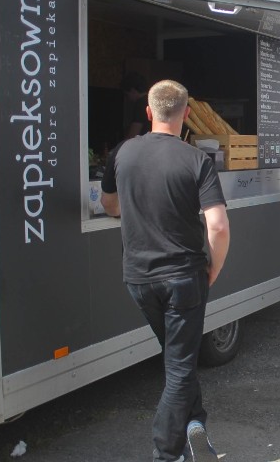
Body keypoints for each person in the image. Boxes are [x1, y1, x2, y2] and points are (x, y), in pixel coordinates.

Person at [101, 80, 230, 462]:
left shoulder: (123, 152)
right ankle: (165, 452)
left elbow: (110, 205)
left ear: (148, 112)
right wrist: (214, 268)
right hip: (183, 277)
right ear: (187, 114)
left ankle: (195, 422)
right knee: (178, 367)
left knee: (178, 357)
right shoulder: (195, 160)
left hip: (138, 278)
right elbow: (218, 227)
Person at [121, 71, 151, 139]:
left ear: (133, 90)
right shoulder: (152, 100)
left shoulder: (140, 104)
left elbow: (133, 135)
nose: (128, 98)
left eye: (126, 94)